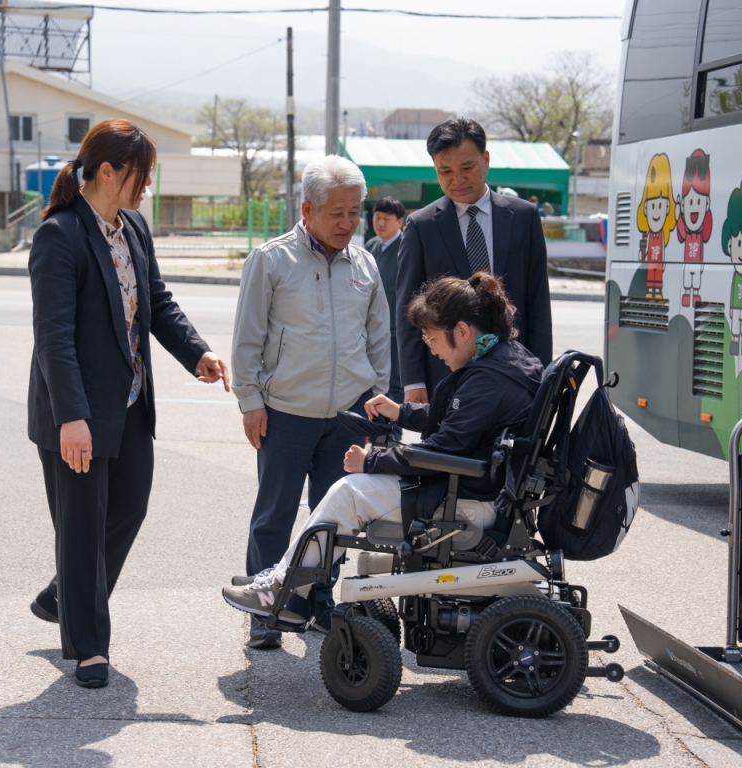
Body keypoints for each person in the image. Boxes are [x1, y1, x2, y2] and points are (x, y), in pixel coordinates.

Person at [27, 119, 229, 689]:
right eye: (141, 176)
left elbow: (156, 303)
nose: (146, 188)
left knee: (128, 510)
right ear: (109, 170)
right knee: (82, 525)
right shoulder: (60, 236)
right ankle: (89, 646)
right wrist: (71, 417)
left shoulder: (133, 227)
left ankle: (65, 593)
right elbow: (55, 337)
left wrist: (198, 353)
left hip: (132, 404)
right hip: (78, 413)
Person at [222, 273, 543, 621]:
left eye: (432, 338)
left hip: (469, 494)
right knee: (352, 490)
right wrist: (401, 411)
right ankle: (288, 582)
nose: (431, 349)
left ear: (463, 331)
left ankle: (284, 592)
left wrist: (371, 460)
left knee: (349, 491)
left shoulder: (489, 380)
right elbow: (458, 422)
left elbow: (445, 448)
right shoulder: (508, 356)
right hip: (482, 486)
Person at [231, 155, 391, 649]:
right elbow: (247, 339)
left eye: (354, 212)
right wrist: (250, 400)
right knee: (274, 514)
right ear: (307, 209)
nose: (347, 223)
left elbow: (379, 338)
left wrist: (377, 400)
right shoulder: (271, 260)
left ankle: (318, 604)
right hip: (284, 412)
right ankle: (265, 612)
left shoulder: (364, 262)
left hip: (347, 415)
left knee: (332, 520)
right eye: (335, 213)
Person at [397, 118, 552, 406]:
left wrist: (544, 377)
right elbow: (408, 309)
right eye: (445, 171)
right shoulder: (421, 226)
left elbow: (538, 303)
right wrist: (414, 381)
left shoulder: (524, 217)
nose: (457, 180)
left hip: (515, 374)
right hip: (445, 378)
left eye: (467, 168)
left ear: (486, 159)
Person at [363, 196, 407, 439]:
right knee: (371, 383)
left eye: (386, 218)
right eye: (376, 217)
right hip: (370, 330)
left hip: (396, 332)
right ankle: (374, 430)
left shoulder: (406, 247)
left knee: (394, 385)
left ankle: (391, 435)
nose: (380, 222)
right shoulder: (370, 247)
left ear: (400, 221)